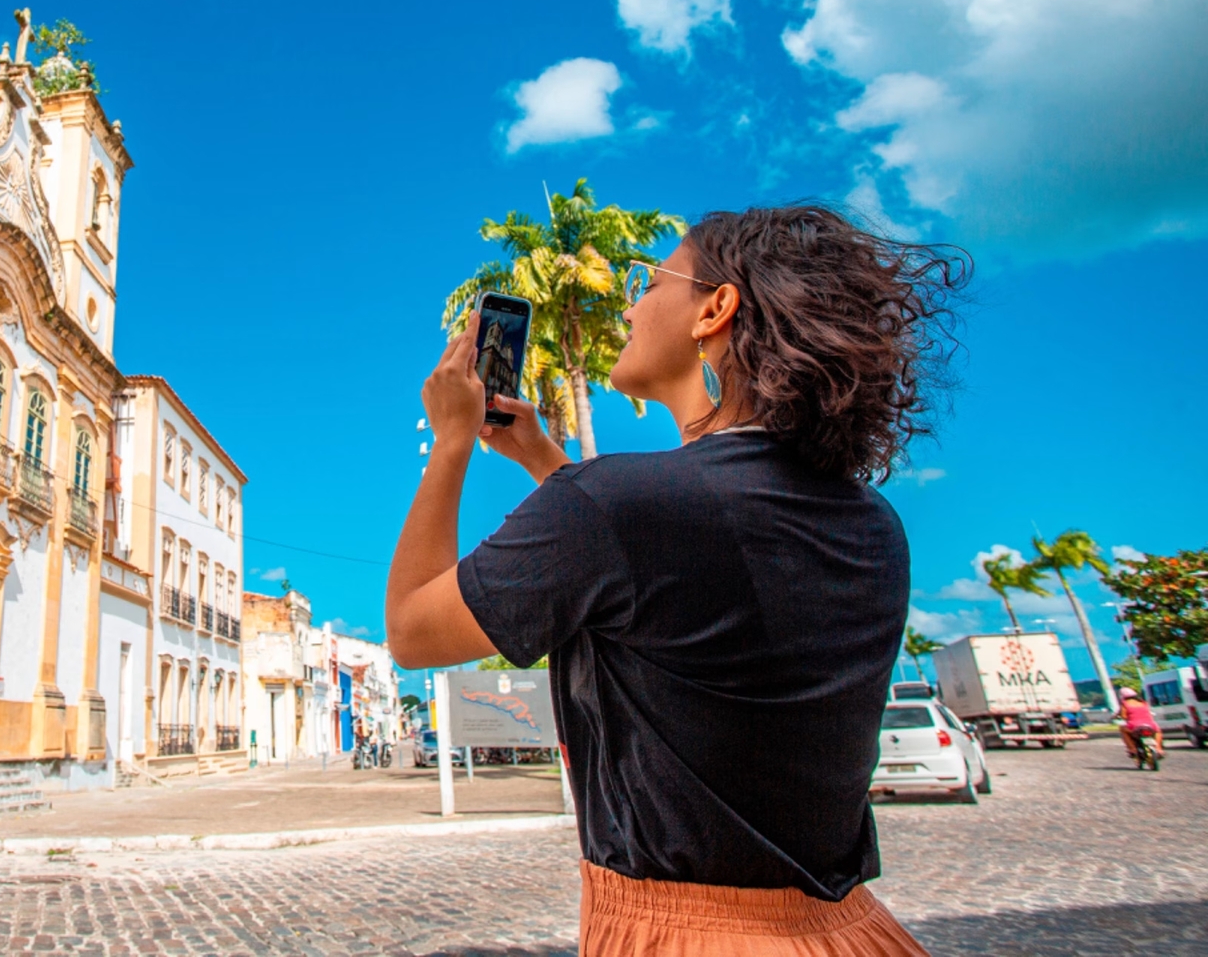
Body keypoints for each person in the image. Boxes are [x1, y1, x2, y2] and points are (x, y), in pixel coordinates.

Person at [386, 206, 969, 956]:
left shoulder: (620, 506)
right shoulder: (872, 521)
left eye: (652, 282)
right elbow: (678, 575)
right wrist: (542, 459)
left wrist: (452, 443)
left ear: (715, 309)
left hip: (689, 937)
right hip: (853, 933)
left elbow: (411, 628)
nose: (630, 305)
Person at [1116, 687, 1164, 762]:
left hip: (1134, 726)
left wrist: (1119, 716)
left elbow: (1124, 716)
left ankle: (1132, 749)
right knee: (1158, 731)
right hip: (1150, 725)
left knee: (1122, 729)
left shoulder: (1125, 704)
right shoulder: (1143, 702)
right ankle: (1158, 748)